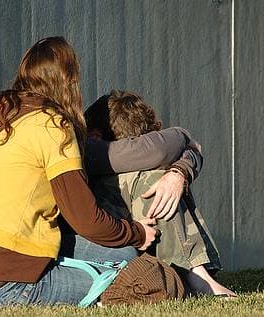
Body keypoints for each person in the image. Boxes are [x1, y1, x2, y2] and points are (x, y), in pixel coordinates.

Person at [0, 37, 158, 307]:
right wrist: (137, 233)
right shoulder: (52, 125)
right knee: (127, 261)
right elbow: (87, 220)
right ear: (68, 81)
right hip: (9, 288)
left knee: (115, 251)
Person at [83, 90, 237, 297]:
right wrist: (183, 137)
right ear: (95, 136)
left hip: (130, 237)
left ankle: (194, 274)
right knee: (152, 179)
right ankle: (192, 275)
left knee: (163, 180)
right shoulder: (88, 149)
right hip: (89, 245)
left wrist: (178, 172)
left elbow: (185, 151)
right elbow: (157, 151)